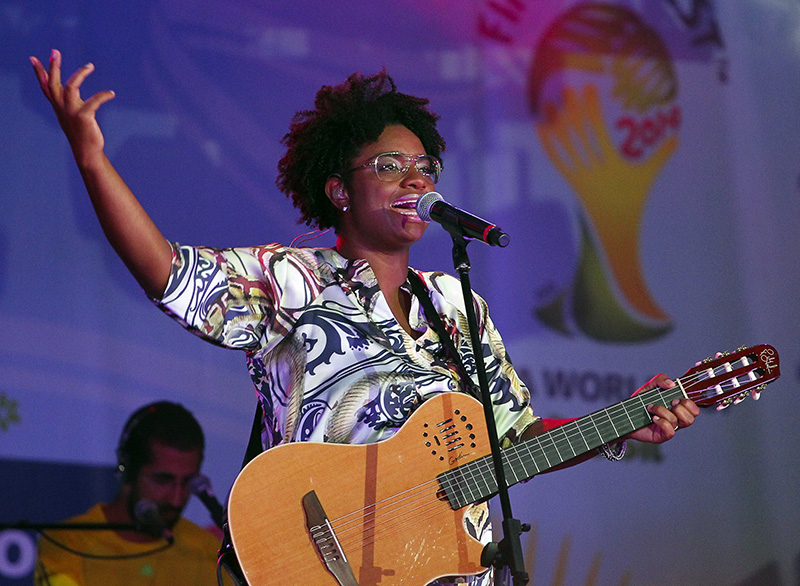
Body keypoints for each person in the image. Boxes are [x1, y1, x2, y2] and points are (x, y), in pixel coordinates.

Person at [30, 50, 700, 586]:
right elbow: (168, 272)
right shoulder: (293, 281)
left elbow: (514, 442)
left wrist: (622, 422)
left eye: (425, 167)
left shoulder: (458, 307)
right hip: (322, 563)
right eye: (390, 166)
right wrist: (91, 158)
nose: (416, 180)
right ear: (340, 189)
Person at [34, 401, 225, 586]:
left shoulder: (209, 552)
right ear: (127, 470)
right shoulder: (66, 543)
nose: (176, 500)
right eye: (162, 480)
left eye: (188, 482)